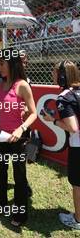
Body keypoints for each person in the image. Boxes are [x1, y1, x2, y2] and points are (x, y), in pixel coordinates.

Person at [0, 48, 37, 227]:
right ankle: (1, 204)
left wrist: (21, 129)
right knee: (1, 171)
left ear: (12, 64)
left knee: (19, 176)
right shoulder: (0, 84)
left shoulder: (22, 85)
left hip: (17, 138)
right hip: (1, 135)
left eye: (1, 64)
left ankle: (19, 214)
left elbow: (34, 113)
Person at [43, 60, 80, 230]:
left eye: (54, 72)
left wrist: (54, 120)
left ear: (63, 76)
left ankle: (78, 220)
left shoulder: (65, 97)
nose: (52, 75)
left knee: (77, 183)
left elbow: (73, 128)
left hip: (78, 146)